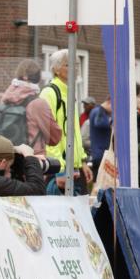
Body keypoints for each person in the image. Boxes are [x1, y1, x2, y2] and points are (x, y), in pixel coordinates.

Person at [40, 49, 92, 192]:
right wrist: (59, 168)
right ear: (56, 69)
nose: (75, 68)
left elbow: (75, 131)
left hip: (74, 168)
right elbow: (48, 134)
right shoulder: (49, 93)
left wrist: (82, 162)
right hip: (60, 170)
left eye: (76, 64)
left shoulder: (70, 92)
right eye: (68, 65)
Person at [0, 59, 61, 158]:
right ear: (37, 77)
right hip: (32, 160)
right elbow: (55, 138)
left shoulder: (4, 99)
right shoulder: (37, 104)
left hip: (6, 159)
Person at [89, 96, 112, 181]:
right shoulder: (99, 111)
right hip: (100, 154)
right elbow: (100, 123)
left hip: (99, 153)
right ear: (109, 102)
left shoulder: (97, 111)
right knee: (100, 183)